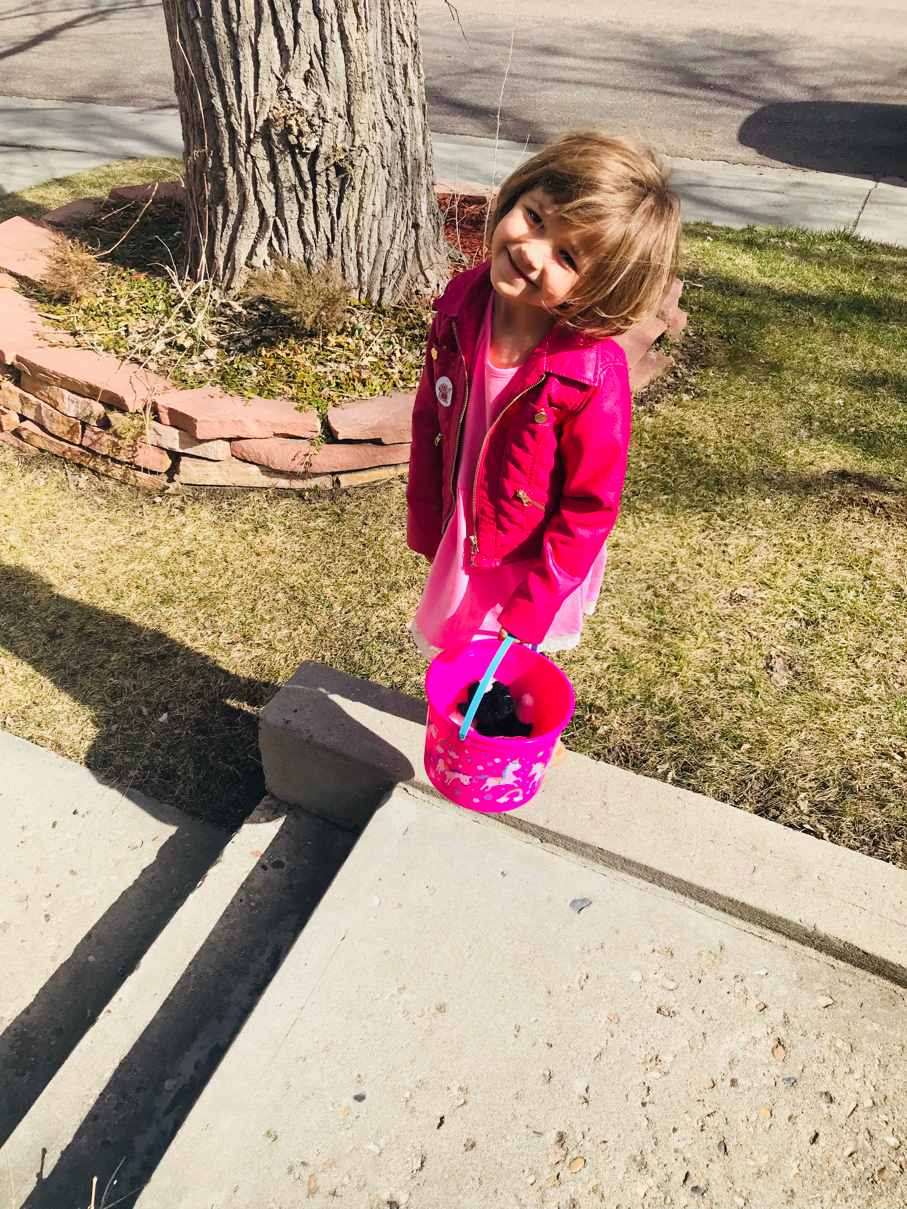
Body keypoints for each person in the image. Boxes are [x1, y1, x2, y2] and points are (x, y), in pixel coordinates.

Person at [406, 132, 680, 758]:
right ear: (516, 196)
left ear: (599, 290)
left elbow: (590, 506)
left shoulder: (592, 373)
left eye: (568, 258)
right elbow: (429, 421)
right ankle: (462, 735)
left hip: (528, 555)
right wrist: (426, 516)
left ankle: (495, 751)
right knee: (459, 649)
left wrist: (535, 606)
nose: (531, 252)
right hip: (465, 526)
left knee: (505, 658)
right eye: (534, 217)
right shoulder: (460, 307)